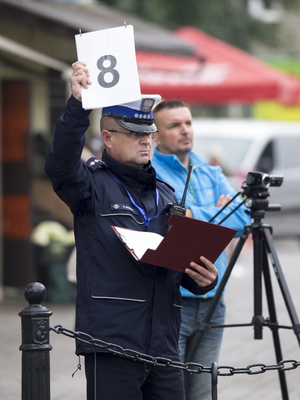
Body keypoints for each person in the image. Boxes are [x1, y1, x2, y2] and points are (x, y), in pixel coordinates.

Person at [44, 62, 219, 400]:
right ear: (107, 138)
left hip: (165, 346)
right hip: (112, 345)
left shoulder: (165, 192)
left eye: (149, 133)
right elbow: (59, 165)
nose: (146, 141)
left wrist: (201, 279)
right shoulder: (88, 186)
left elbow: (174, 264)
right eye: (135, 134)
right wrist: (78, 105)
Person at [152, 99, 251, 400]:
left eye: (188, 123)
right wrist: (217, 211)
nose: (185, 130)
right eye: (174, 125)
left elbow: (244, 219)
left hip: (213, 301)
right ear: (155, 135)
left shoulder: (210, 172)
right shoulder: (151, 173)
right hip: (173, 302)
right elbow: (174, 223)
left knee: (205, 393)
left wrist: (197, 213)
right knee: (171, 392)